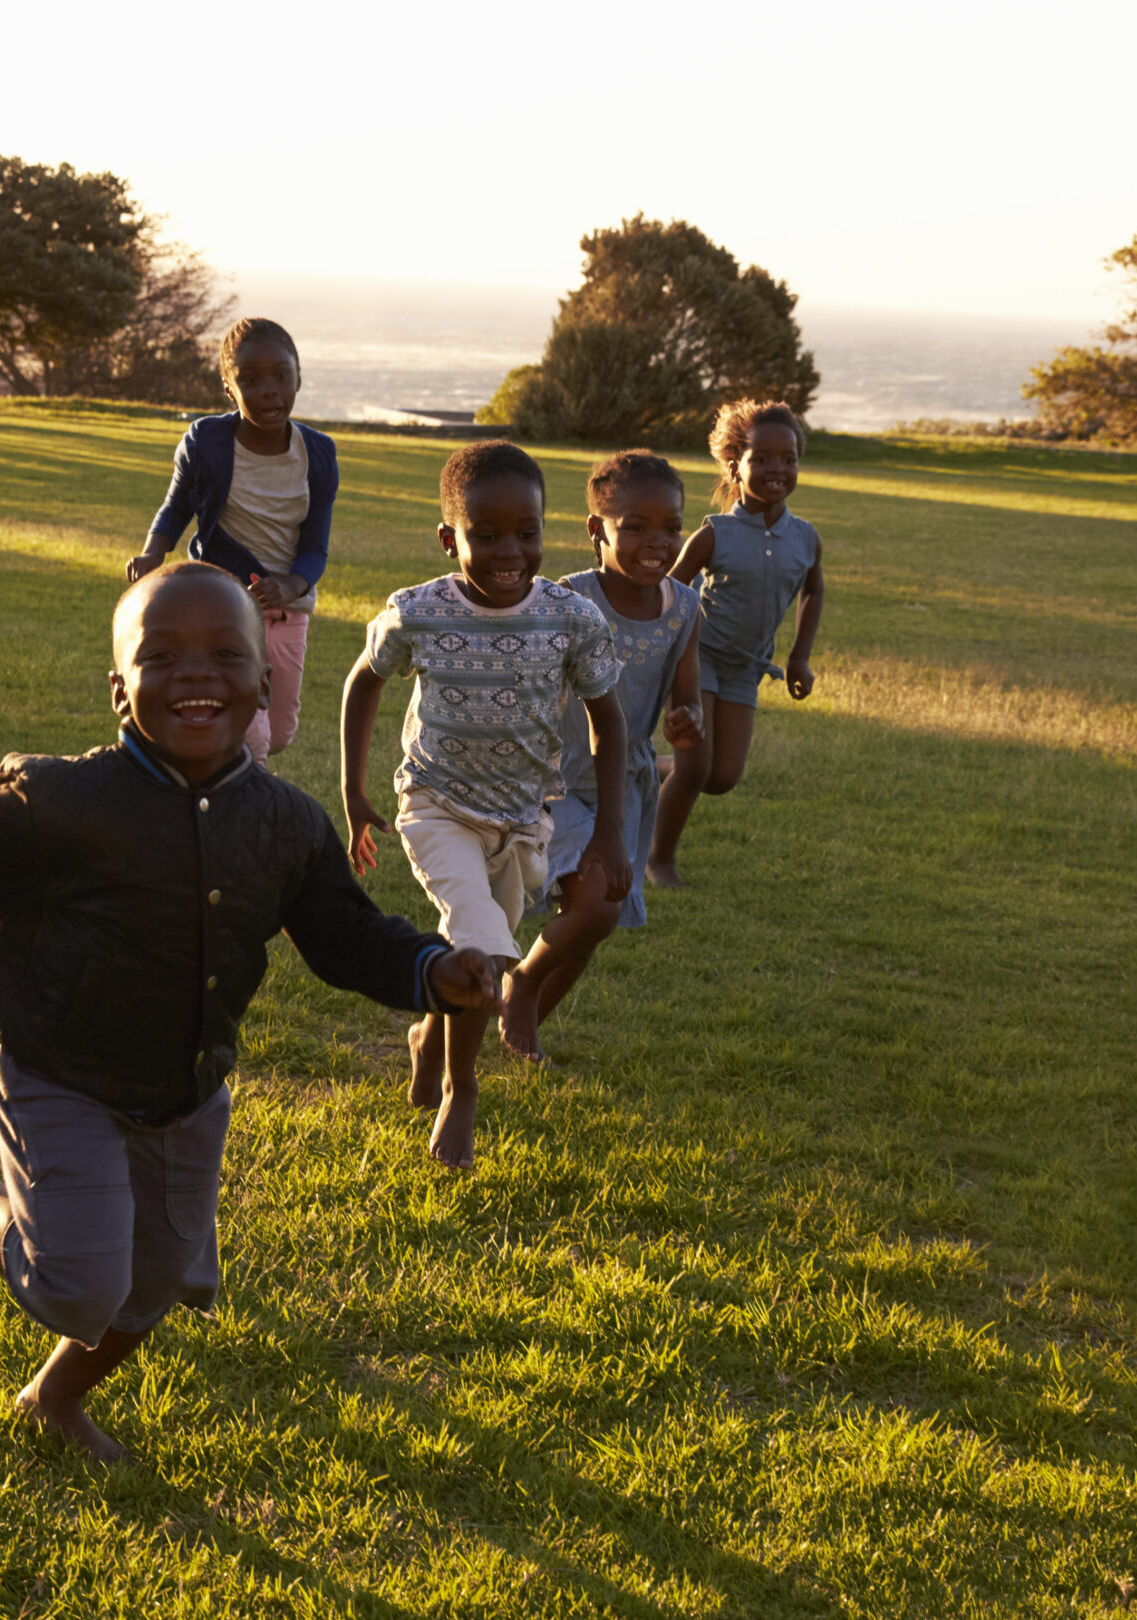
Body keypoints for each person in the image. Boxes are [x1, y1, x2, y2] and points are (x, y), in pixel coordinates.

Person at [0, 564, 499, 1463]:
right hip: (57, 1069)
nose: (195, 674)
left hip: (185, 1088)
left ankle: (52, 1397)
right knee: (77, 1288)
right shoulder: (63, 804)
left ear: (264, 683)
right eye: (160, 657)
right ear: (119, 690)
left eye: (224, 654)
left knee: (151, 1285)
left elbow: (344, 934)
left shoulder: (284, 823)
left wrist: (433, 969)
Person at [340, 440, 630, 1170]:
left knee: (478, 954)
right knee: (482, 948)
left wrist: (608, 838)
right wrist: (354, 789)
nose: (510, 551)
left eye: (526, 533)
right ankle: (460, 1090)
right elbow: (363, 681)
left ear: (545, 529)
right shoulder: (419, 613)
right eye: (487, 535)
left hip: (523, 819)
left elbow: (610, 720)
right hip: (435, 804)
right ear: (450, 539)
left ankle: (429, 1036)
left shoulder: (570, 617)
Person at [507, 451, 706, 1045]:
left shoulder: (684, 610)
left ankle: (526, 1023)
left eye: (672, 527)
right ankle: (519, 986)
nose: (658, 542)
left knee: (600, 915)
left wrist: (686, 719)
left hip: (629, 783)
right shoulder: (569, 601)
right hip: (559, 779)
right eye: (636, 527)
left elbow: (687, 692)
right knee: (594, 906)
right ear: (598, 529)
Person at [124, 318, 337, 764]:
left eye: (282, 375)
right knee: (251, 734)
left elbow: (316, 546)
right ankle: (241, 803)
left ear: (299, 376)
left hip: (286, 611)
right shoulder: (207, 442)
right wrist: (153, 551)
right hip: (222, 608)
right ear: (228, 388)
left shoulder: (317, 454)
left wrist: (292, 585)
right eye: (250, 380)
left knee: (277, 732)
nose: (268, 390)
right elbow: (176, 507)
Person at [647, 400, 825, 887]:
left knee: (721, 777)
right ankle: (658, 860)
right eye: (762, 459)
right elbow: (669, 590)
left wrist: (800, 657)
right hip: (696, 659)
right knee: (696, 765)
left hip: (747, 668)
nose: (777, 469)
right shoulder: (714, 532)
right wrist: (657, 651)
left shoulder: (806, 538)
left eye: (788, 459)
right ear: (735, 466)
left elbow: (814, 590)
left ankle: (641, 769)